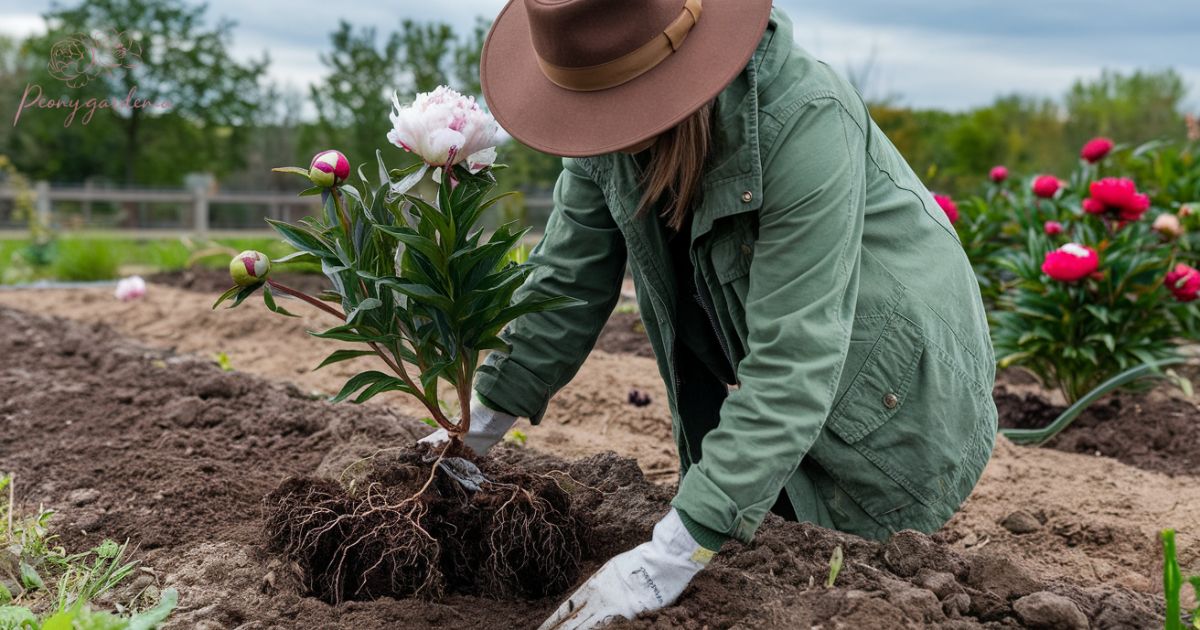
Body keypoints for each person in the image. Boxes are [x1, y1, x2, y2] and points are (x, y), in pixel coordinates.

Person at [424, 0, 998, 627]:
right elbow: (563, 286)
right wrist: (468, 433)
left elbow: (795, 357)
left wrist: (670, 556)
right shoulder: (604, 122)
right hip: (801, 373)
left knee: (826, 577)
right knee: (747, 528)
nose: (596, 129)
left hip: (892, 394)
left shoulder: (802, 117)